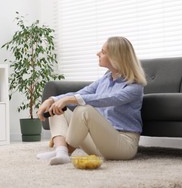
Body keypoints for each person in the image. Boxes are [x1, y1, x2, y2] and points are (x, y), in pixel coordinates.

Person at [36, 36, 147, 165]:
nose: (98, 53)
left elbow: (107, 99)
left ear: (116, 58)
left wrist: (70, 100)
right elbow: (81, 93)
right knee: (57, 108)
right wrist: (52, 100)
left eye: (103, 52)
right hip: (98, 143)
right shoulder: (105, 79)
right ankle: (61, 152)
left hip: (123, 145)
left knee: (84, 110)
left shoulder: (134, 86)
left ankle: (65, 151)